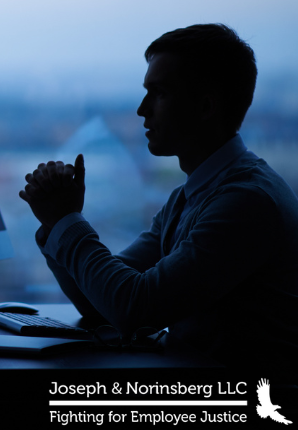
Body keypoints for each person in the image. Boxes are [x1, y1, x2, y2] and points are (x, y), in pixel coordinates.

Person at [20, 24, 298, 369]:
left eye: (160, 93)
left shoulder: (247, 203)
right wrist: (54, 225)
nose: (142, 109)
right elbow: (101, 304)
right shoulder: (191, 196)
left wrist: (66, 221)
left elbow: (134, 309)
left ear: (206, 106)